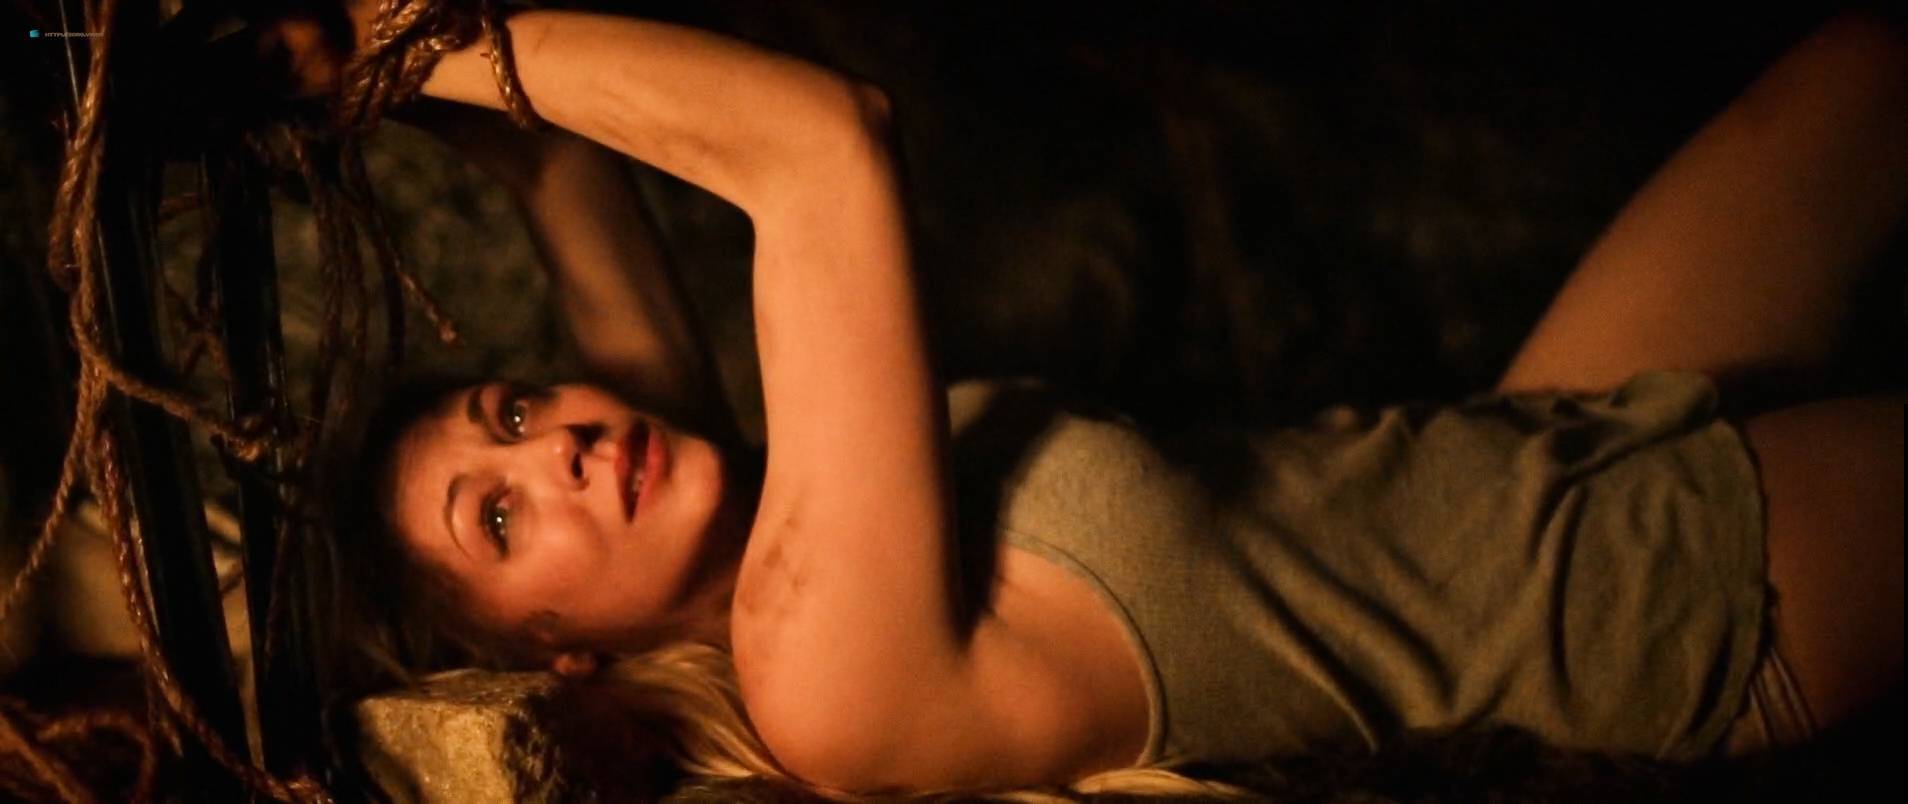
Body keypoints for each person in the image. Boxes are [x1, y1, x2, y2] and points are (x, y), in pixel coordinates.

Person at [274, 4, 1904, 798]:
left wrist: (321, 75)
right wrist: (395, 30)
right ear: (554, 655)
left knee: (1868, 69)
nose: (558, 449)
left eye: (510, 412)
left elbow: (561, 172)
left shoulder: (759, 508)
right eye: (499, 518)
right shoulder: (825, 676)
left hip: (1531, 449)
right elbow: (821, 144)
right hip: (1650, 608)